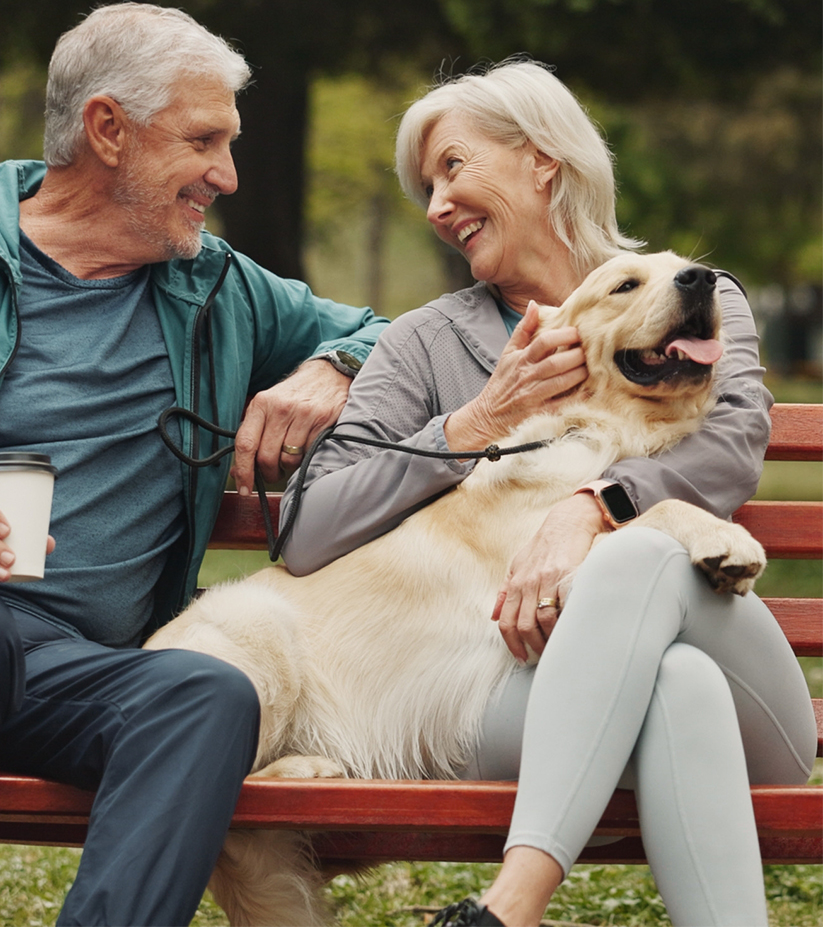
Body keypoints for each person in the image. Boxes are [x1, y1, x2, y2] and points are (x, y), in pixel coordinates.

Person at [0, 3, 388, 927]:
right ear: (108, 129)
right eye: (203, 141)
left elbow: (393, 333)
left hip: (65, 672)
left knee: (206, 689)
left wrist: (338, 365)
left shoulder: (218, 288)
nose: (227, 175)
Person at [280, 60, 816, 927]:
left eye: (452, 167)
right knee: (675, 684)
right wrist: (478, 419)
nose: (436, 205)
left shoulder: (694, 295)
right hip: (517, 694)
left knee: (641, 552)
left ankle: (510, 906)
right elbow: (308, 528)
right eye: (425, 187)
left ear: (540, 161)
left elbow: (728, 449)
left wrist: (590, 506)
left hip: (740, 680)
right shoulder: (424, 344)